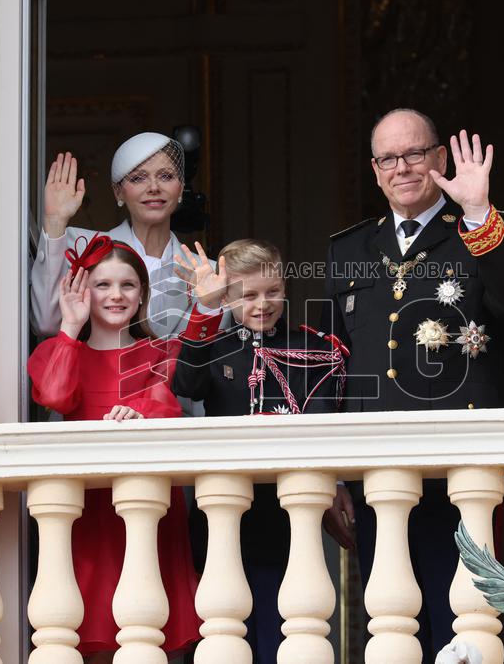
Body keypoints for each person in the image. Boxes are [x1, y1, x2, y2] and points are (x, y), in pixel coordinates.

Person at [323, 108, 504, 662]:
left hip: (463, 466)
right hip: (376, 472)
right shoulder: (348, 251)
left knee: (468, 622)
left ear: (439, 159)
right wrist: (334, 474)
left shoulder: (483, 229)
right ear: (375, 170)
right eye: (389, 158)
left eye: (415, 153)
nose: (403, 167)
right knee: (389, 623)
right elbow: (330, 365)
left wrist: (476, 210)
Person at [172, 239, 346, 664]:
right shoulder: (214, 345)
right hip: (223, 518)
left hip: (288, 518)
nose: (262, 304)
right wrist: (205, 309)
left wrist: (337, 481)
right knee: (224, 639)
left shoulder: (316, 350)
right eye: (248, 295)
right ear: (229, 296)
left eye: (273, 292)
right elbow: (186, 386)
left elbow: (328, 423)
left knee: (287, 637)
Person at [27, 234, 201, 661]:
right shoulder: (60, 351)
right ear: (83, 291)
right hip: (88, 514)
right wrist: (69, 326)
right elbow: (54, 395)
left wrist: (141, 410)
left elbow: (174, 401)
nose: (115, 295)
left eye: (127, 284)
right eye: (102, 284)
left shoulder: (162, 352)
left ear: (142, 294)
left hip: (148, 511)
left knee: (153, 636)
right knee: (88, 630)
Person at [30, 132, 195, 342]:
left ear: (180, 188)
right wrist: (55, 222)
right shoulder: (82, 245)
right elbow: (45, 324)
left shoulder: (206, 272)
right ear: (118, 192)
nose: (154, 188)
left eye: (166, 176)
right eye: (138, 178)